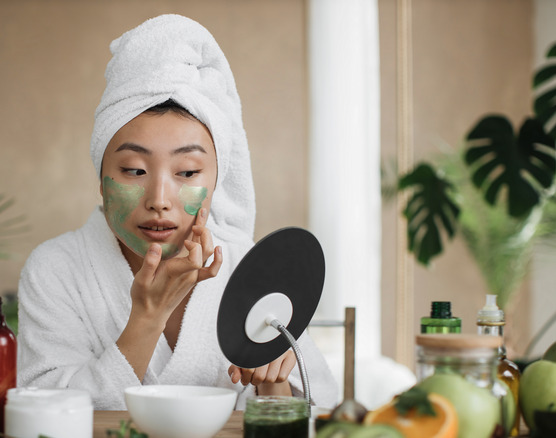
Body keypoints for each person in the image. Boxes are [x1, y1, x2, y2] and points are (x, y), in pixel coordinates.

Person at [17, 14, 337, 410]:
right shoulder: (56, 268)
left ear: (216, 181)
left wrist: (273, 386)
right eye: (134, 170)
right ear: (100, 178)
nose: (160, 199)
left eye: (187, 172)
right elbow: (41, 416)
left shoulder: (248, 268)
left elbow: (323, 412)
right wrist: (147, 317)